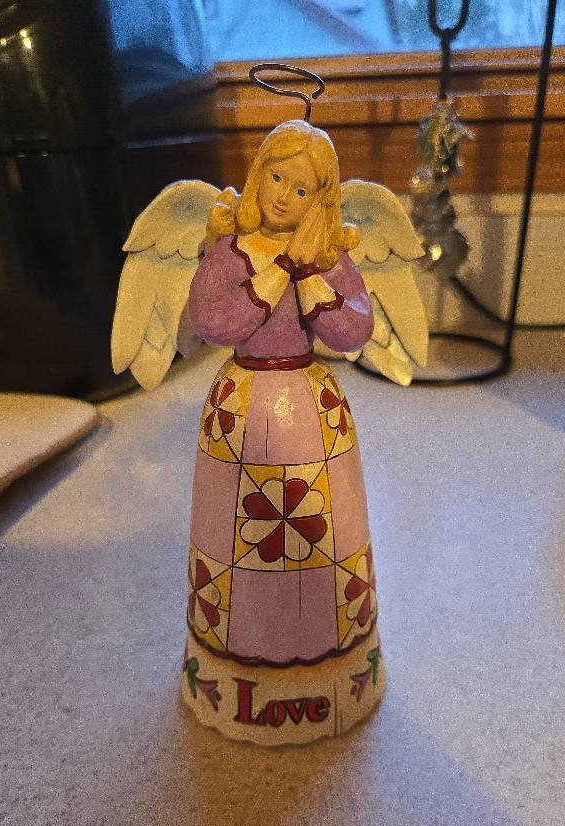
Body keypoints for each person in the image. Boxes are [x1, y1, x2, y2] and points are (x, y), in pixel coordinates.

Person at [183, 118, 385, 743]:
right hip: (241, 406)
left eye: (302, 190)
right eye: (276, 177)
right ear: (257, 175)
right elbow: (213, 320)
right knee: (235, 538)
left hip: (310, 405)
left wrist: (309, 273)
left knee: (320, 528)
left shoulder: (329, 258)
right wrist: (277, 274)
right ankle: (236, 667)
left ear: (320, 201)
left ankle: (332, 672)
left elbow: (353, 329)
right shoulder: (229, 252)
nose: (283, 196)